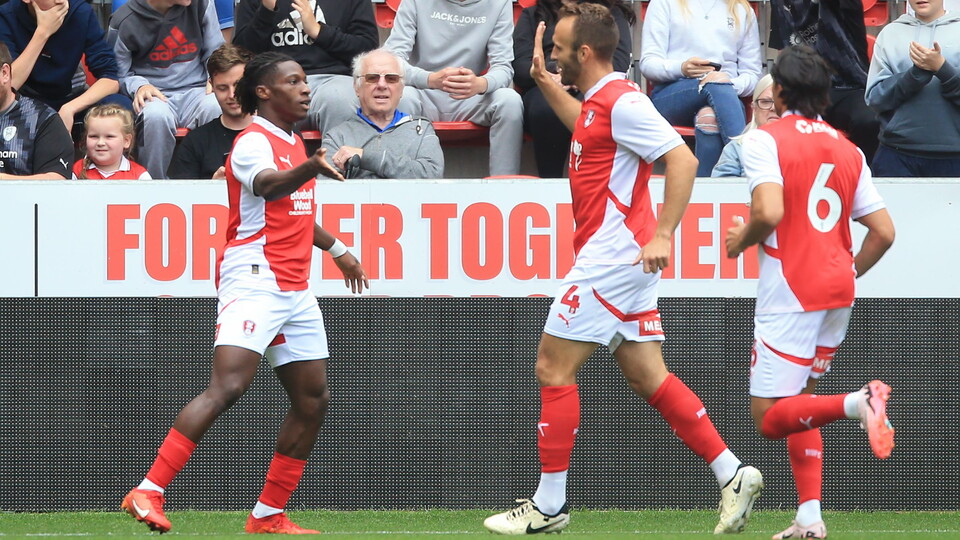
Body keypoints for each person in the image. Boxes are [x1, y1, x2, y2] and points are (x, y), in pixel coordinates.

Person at [483, 4, 763, 535]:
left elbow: (681, 160)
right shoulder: (597, 103)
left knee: (552, 367)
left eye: (559, 49)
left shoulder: (625, 102)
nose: (554, 55)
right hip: (621, 259)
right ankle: (732, 472)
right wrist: (544, 83)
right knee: (648, 375)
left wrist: (663, 234)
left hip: (613, 258)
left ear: (584, 53)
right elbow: (584, 126)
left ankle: (549, 505)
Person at [120, 52, 368, 535]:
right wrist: (310, 169)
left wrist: (338, 248)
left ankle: (268, 514)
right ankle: (148, 489)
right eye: (292, 81)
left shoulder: (293, 141)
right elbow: (271, 187)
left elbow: (294, 211)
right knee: (230, 385)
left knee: (312, 399)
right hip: (254, 277)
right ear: (264, 92)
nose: (305, 88)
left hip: (294, 286)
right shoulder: (253, 143)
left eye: (304, 80)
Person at [724, 45, 897, 540]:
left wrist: (743, 238)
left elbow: (770, 212)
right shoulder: (848, 148)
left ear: (777, 93)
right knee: (801, 398)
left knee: (768, 417)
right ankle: (809, 519)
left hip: (790, 291)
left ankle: (859, 402)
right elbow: (883, 231)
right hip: (838, 289)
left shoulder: (764, 140)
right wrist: (846, 270)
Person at [384, 0, 524, 177]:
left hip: (471, 97)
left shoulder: (499, 3)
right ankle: (402, 183)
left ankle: (505, 185)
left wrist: (481, 84)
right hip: (423, 92)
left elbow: (503, 66)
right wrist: (429, 79)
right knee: (402, 97)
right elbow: (392, 60)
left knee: (509, 101)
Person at [640, 0, 762, 177]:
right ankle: (746, 166)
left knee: (709, 118)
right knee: (715, 85)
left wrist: (726, 83)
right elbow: (648, 63)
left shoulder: (742, 8)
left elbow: (752, 74)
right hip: (673, 92)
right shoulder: (664, 3)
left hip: (726, 94)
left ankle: (704, 192)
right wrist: (682, 67)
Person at [513, 0, 634, 179]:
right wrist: (551, 74)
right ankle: (550, 181)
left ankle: (595, 181)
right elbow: (520, 67)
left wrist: (574, 75)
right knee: (545, 109)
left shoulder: (610, 14)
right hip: (543, 84)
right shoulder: (533, 15)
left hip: (592, 85)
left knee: (596, 109)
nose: (555, 51)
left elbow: (618, 63)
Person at [107, 0, 225, 179]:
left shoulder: (201, 4)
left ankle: (214, 180)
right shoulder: (124, 19)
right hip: (154, 92)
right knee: (155, 115)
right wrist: (139, 85)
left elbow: (215, 51)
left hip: (196, 89)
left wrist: (215, 74)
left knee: (215, 105)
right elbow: (117, 74)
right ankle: (154, 184)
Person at [233, 0, 379, 133]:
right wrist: (266, 11)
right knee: (228, 104)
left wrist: (319, 32)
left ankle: (336, 161)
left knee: (340, 98)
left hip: (332, 79)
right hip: (274, 81)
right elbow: (242, 54)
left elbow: (367, 50)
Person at [769, 0, 881, 162]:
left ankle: (862, 172)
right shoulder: (780, 4)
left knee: (869, 121)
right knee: (787, 122)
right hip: (804, 88)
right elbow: (784, 49)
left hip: (850, 86)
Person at [0, 0, 131, 136]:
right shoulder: (6, 16)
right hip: (26, 100)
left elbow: (110, 78)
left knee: (121, 104)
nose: (61, 1)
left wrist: (71, 108)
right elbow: (8, 83)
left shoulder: (80, 12)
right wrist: (43, 32)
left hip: (71, 97)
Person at [865, 0, 960, 177]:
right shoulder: (890, 34)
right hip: (897, 155)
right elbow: (875, 99)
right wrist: (914, 75)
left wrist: (942, 69)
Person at [321, 48, 443, 180]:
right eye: (372, 78)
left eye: (391, 78)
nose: (382, 85)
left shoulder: (421, 130)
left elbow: (433, 175)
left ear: (401, 89)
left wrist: (365, 157)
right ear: (357, 87)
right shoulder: (337, 136)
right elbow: (326, 187)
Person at [168, 43, 255, 180]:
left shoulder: (279, 133)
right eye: (222, 88)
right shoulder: (195, 142)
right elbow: (182, 199)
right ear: (212, 86)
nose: (232, 94)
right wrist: (212, 189)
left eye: (238, 85)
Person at [0, 42, 73, 179]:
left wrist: (3, 181)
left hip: (24, 201)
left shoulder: (42, 119)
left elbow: (56, 180)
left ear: (5, 73)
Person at [711, 74, 779, 177]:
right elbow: (722, 189)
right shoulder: (736, 148)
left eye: (781, 102)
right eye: (765, 102)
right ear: (754, 109)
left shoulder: (808, 146)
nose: (773, 108)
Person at [72, 103, 150, 179]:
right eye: (94, 136)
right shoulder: (76, 170)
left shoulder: (140, 176)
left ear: (126, 141)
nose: (100, 143)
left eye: (109, 136)